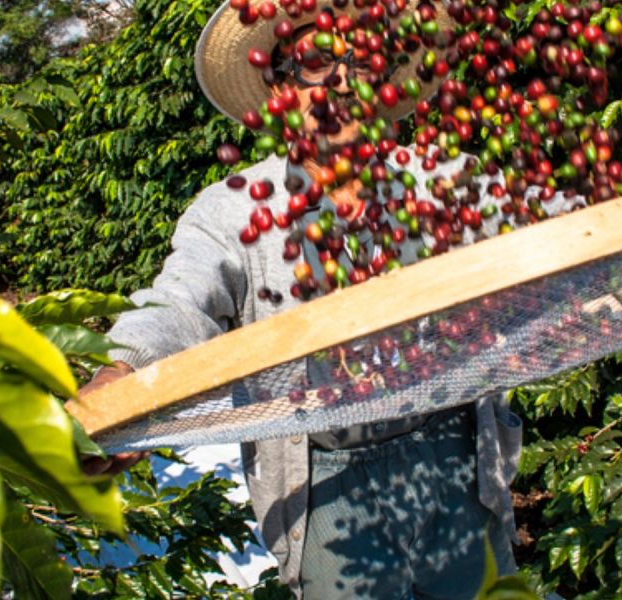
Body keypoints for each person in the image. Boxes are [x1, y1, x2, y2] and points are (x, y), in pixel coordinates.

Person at [81, 0, 545, 597]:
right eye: (317, 60)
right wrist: (121, 374)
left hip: (452, 451)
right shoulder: (236, 210)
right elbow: (180, 301)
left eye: (362, 60)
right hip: (327, 478)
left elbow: (545, 243)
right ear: (279, 86)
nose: (342, 81)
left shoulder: (447, 182)